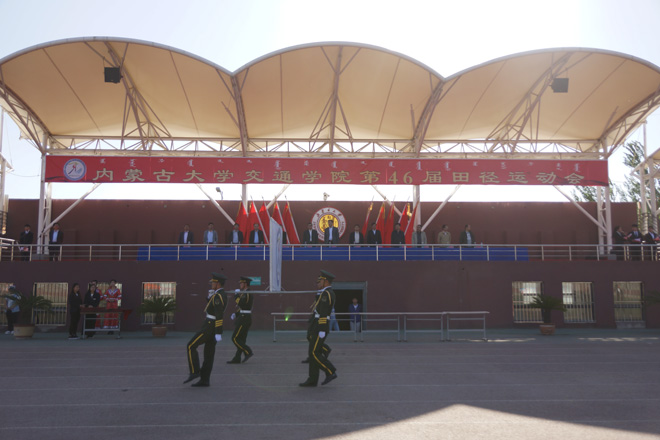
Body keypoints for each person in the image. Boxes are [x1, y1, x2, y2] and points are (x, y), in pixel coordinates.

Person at [184, 272, 227, 387]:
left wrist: (218, 332)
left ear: (218, 283)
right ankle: (205, 380)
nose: (211, 284)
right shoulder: (219, 295)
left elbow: (219, 314)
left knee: (190, 345)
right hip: (212, 326)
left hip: (210, 325)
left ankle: (194, 371)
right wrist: (209, 299)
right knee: (209, 354)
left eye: (213, 282)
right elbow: (214, 309)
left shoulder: (218, 296)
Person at [299, 270, 338, 387]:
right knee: (313, 353)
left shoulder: (327, 294)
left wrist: (321, 329)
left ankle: (330, 371)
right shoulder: (323, 293)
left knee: (314, 353)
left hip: (321, 325)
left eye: (320, 281)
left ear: (326, 281)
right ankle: (312, 379)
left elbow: (324, 312)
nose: (318, 283)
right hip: (316, 324)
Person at [227, 276, 254, 364]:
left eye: (241, 283)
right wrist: (236, 314)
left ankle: (248, 351)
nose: (240, 284)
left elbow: (242, 304)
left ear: (245, 284)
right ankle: (237, 358)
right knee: (241, 339)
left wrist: (236, 296)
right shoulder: (245, 293)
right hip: (243, 317)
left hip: (244, 318)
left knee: (234, 338)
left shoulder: (248, 293)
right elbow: (243, 307)